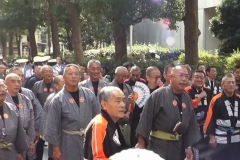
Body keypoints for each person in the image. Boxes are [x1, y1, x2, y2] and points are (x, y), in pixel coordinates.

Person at [135, 65, 201, 160]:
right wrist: (141, 143)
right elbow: (145, 119)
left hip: (178, 146)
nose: (184, 79)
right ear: (171, 77)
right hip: (159, 145)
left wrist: (188, 146)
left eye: (186, 76)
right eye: (181, 75)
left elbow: (190, 123)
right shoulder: (158, 95)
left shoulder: (186, 98)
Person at [44, 64, 100, 160]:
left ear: (80, 77)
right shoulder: (57, 99)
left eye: (76, 74)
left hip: (88, 139)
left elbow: (97, 117)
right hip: (67, 140)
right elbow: (53, 126)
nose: (74, 76)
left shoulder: (89, 94)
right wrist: (56, 149)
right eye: (70, 74)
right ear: (64, 77)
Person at [84, 86, 127, 160]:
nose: (122, 105)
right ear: (104, 105)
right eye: (118, 101)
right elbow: (97, 158)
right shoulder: (99, 124)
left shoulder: (113, 121)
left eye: (123, 101)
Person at [204, 73, 240, 160]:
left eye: (232, 82)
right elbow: (210, 118)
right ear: (222, 84)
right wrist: (211, 136)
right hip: (220, 137)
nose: (231, 85)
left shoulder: (239, 98)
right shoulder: (216, 99)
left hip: (237, 136)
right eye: (228, 82)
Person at [4, 73, 35, 160]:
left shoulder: (25, 99)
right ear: (5, 84)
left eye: (19, 81)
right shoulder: (3, 99)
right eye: (13, 82)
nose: (17, 84)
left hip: (26, 138)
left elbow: (31, 120)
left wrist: (31, 141)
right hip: (8, 141)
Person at [185, 70, 213, 159]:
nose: (199, 79)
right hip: (191, 127)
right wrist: (199, 97)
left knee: (204, 153)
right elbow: (187, 107)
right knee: (193, 153)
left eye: (202, 78)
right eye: (196, 77)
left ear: (205, 79)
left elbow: (211, 109)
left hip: (204, 127)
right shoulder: (187, 91)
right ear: (191, 79)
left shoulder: (208, 91)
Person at [0, 79, 29, 160]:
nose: (2, 90)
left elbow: (19, 132)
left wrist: (19, 152)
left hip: (10, 152)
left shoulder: (11, 107)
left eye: (3, 86)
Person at [32, 65, 54, 160]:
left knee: (53, 142)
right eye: (46, 72)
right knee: (39, 142)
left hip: (54, 117)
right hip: (41, 118)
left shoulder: (57, 83)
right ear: (41, 74)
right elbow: (33, 101)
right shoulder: (37, 85)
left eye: (50, 71)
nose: (48, 73)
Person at [40, 75, 64, 160]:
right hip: (56, 137)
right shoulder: (54, 98)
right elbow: (51, 123)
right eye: (63, 83)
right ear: (56, 86)